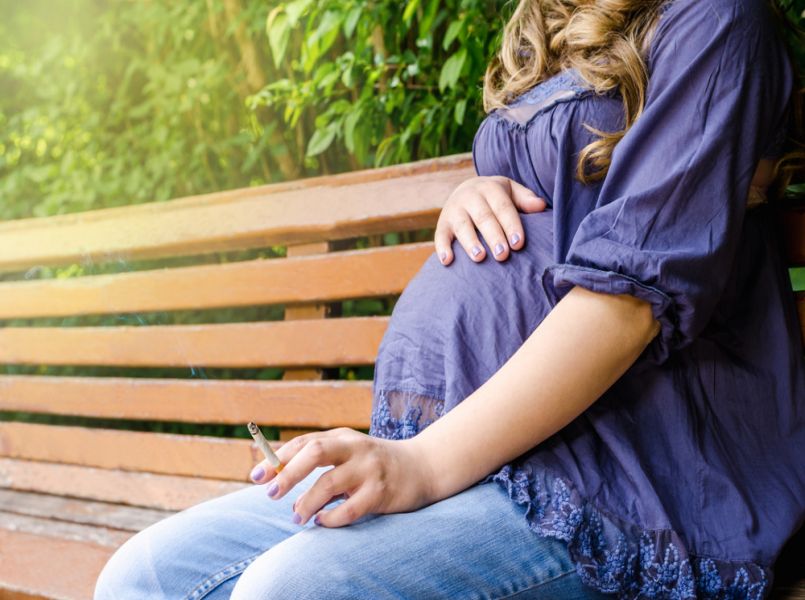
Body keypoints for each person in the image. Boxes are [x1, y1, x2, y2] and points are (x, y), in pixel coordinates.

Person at [94, 0, 805, 598]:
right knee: (146, 576)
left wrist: (423, 465)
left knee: (298, 589)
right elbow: (562, 204)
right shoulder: (553, 21)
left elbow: (628, 302)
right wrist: (477, 186)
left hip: (629, 471)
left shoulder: (715, 20)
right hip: (490, 449)